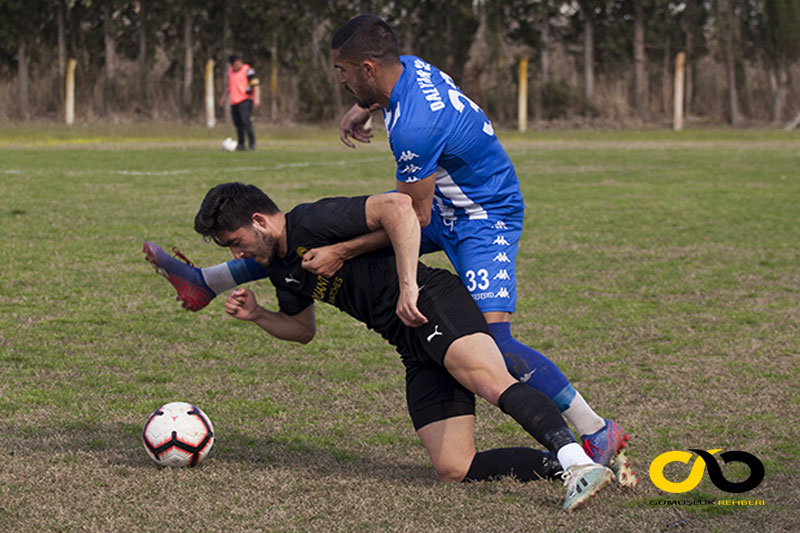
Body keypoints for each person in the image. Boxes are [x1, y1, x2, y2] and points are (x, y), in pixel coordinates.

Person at [143, 15, 636, 486]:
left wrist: (344, 251)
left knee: (495, 345)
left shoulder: (413, 129)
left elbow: (411, 216)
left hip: (483, 218)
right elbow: (398, 92)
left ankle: (595, 431)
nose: (339, 80)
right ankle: (208, 280)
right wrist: (365, 105)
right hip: (449, 205)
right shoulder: (410, 69)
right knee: (294, 246)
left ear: (367, 68)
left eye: (342, 71)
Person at [149, 181, 615, 511]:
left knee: (492, 381)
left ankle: (578, 466)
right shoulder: (281, 269)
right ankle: (567, 464)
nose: (236, 256)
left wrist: (406, 284)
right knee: (454, 467)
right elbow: (303, 329)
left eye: (236, 242)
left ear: (259, 221)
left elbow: (399, 208)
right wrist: (259, 316)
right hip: (407, 341)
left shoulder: (311, 220)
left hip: (431, 302)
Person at [219, 54, 260, 151]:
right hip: (234, 101)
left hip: (245, 100)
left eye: (237, 63)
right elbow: (229, 87)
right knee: (238, 124)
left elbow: (256, 85)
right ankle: (241, 144)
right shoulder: (230, 72)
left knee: (246, 122)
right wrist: (223, 98)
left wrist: (256, 98)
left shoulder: (248, 71)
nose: (236, 65)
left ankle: (252, 144)